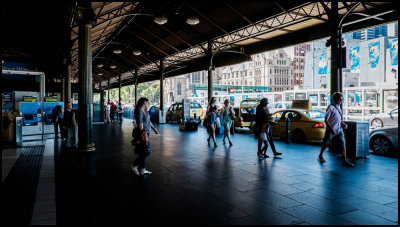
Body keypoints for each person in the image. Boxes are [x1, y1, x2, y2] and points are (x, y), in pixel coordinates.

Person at [318, 92, 354, 167]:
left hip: (339, 129)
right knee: (326, 143)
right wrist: (331, 129)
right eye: (340, 100)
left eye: (342, 100)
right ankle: (320, 155)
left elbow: (337, 119)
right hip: (331, 130)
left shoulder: (338, 107)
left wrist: (343, 124)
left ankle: (344, 160)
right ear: (335, 99)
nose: (341, 101)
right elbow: (326, 119)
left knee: (343, 144)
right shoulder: (330, 107)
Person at [131, 97, 159, 176]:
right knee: (147, 151)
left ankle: (143, 169)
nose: (148, 104)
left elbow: (149, 121)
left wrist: (154, 129)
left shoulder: (146, 111)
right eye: (147, 103)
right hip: (143, 134)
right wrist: (143, 135)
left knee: (143, 151)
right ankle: (134, 165)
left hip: (147, 132)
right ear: (144, 102)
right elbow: (140, 124)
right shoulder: (140, 111)